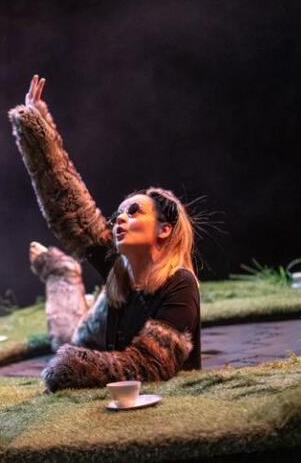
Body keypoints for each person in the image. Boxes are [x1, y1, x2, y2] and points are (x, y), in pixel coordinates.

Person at [10, 75, 201, 392]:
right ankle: (61, 272)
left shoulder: (179, 283)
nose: (120, 218)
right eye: (119, 213)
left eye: (134, 211)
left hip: (134, 383)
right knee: (65, 338)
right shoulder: (119, 270)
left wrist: (76, 367)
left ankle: (62, 272)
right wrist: (35, 129)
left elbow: (150, 365)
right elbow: (70, 208)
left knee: (66, 348)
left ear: (164, 229)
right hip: (90, 337)